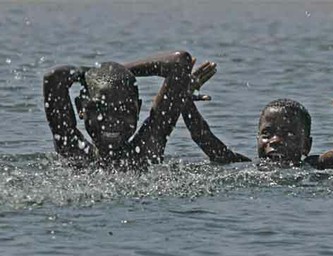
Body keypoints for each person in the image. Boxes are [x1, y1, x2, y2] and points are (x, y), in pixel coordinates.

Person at [43, 51, 219, 170]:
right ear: (81, 109)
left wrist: (111, 74)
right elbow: (54, 77)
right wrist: (99, 74)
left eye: (124, 110)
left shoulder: (147, 147)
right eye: (101, 109)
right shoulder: (72, 149)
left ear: (138, 109)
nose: (113, 120)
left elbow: (179, 62)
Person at [183, 68, 333, 170]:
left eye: (289, 134)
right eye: (266, 134)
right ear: (256, 139)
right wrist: (184, 97)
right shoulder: (243, 167)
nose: (274, 140)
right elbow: (203, 137)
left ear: (306, 146)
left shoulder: (311, 166)